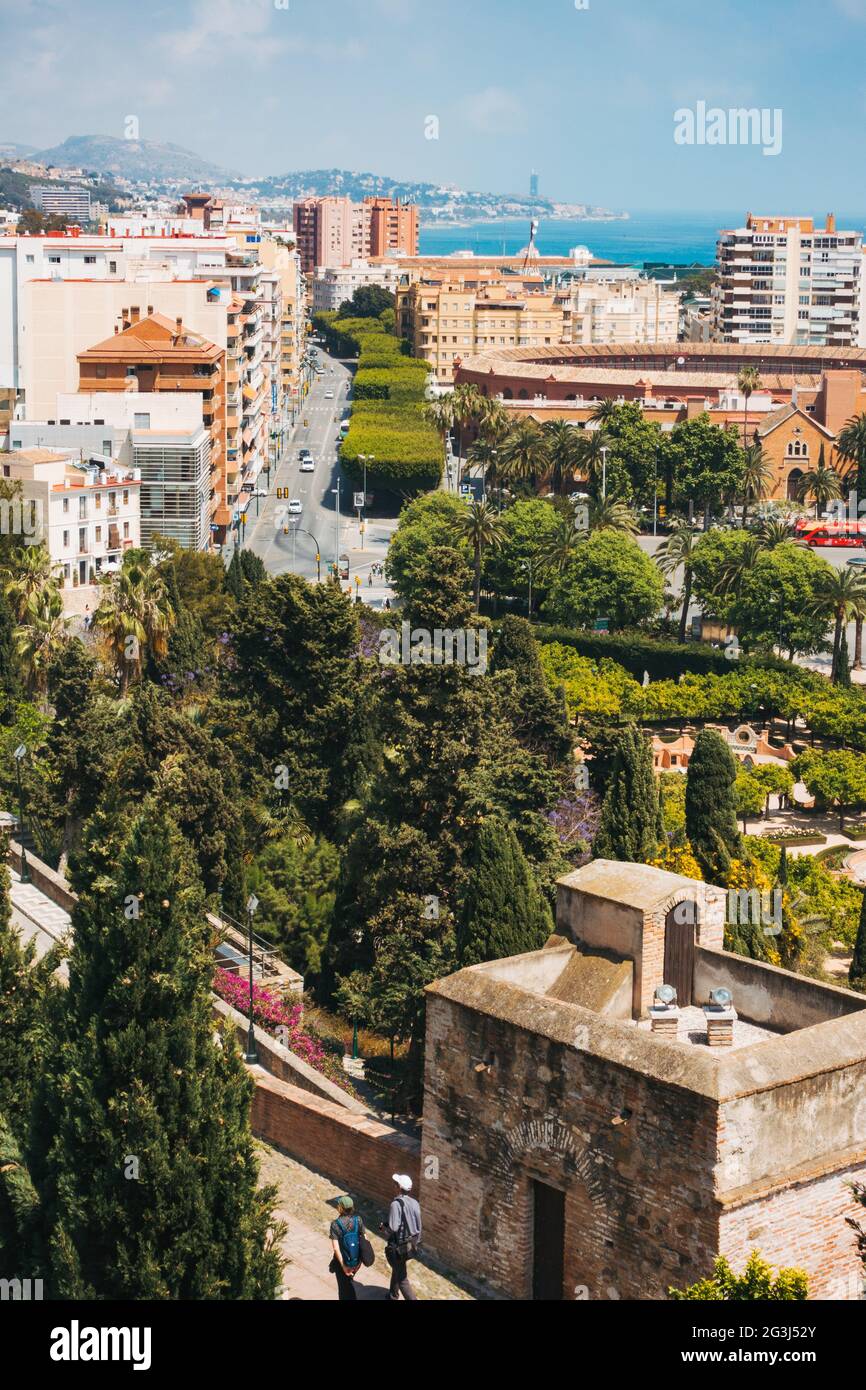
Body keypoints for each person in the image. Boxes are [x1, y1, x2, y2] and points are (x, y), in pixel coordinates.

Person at [382, 1174, 421, 1301]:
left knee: (403, 1279)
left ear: (399, 1187)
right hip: (411, 1244)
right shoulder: (415, 1202)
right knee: (398, 1268)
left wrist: (383, 1228)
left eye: (396, 1183)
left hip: (399, 1246)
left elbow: (393, 1227)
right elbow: (418, 1225)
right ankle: (393, 1295)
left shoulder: (396, 1204)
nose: (394, 1185)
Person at [329, 1195, 365, 1300]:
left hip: (342, 1262)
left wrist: (343, 1266)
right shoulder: (358, 1220)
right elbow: (364, 1241)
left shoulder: (335, 1224)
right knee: (349, 1283)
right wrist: (359, 1262)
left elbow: (336, 1248)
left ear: (340, 1208)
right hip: (356, 1261)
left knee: (344, 1289)